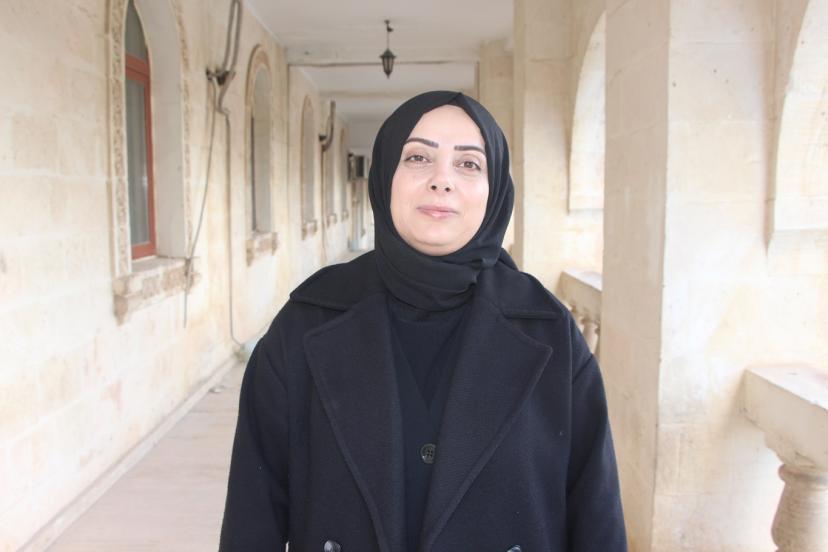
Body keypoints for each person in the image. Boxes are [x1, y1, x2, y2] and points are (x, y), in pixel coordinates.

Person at [219, 91, 627, 552]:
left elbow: (596, 519)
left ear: (495, 189)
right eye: (418, 157)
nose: (442, 181)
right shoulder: (305, 324)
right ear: (384, 176)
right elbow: (253, 519)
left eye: (469, 164)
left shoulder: (551, 334)